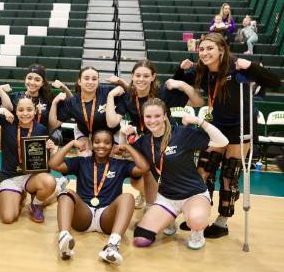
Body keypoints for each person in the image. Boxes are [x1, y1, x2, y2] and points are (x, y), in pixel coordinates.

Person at [173, 33, 280, 238]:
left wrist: (251, 67)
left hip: (242, 126)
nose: (204, 53)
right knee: (203, 169)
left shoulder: (236, 66)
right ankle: (200, 214)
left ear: (221, 49)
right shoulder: (202, 71)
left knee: (230, 175)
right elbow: (179, 81)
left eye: (209, 48)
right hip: (217, 125)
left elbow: (274, 81)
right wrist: (180, 69)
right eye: (201, 49)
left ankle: (222, 222)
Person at [104, 59, 203, 212]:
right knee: (136, 179)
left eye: (145, 76)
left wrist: (182, 85)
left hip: (167, 138)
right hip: (144, 140)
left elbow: (198, 102)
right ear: (132, 76)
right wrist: (111, 95)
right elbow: (111, 123)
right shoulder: (128, 97)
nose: (141, 79)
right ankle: (148, 197)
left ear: (153, 77)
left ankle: (157, 208)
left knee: (156, 174)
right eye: (137, 75)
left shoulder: (163, 92)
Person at [132, 98, 229, 250]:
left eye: (157, 116)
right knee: (141, 240)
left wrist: (199, 121)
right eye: (148, 117)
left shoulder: (182, 134)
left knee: (196, 221)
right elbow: (125, 160)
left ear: (165, 116)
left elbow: (222, 142)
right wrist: (125, 137)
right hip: (166, 198)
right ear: (143, 118)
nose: (152, 121)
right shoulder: (144, 142)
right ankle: (170, 219)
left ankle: (197, 231)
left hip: (193, 194)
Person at [50, 130, 149, 263]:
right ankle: (64, 240)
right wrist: (72, 143)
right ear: (91, 144)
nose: (101, 145)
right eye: (97, 142)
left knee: (128, 197)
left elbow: (144, 168)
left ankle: (112, 246)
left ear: (113, 145)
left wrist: (127, 147)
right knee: (66, 192)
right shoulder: (81, 162)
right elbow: (54, 164)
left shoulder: (120, 165)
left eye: (107, 143)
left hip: (107, 217)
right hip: (84, 215)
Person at [0, 96, 57, 224]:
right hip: (10, 176)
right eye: (21, 110)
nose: (25, 113)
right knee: (7, 218)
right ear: (15, 111)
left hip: (30, 177)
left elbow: (45, 162)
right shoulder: (7, 123)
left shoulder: (41, 129)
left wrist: (53, 150)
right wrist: (2, 111)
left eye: (29, 109)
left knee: (49, 181)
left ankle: (36, 203)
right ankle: (22, 194)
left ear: (35, 111)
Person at [49, 66, 122, 153]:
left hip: (111, 133)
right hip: (85, 133)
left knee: (110, 161)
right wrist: (54, 103)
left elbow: (131, 93)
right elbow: (54, 124)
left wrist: (121, 85)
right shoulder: (73, 102)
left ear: (98, 81)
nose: (90, 82)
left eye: (94, 79)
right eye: (86, 78)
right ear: (79, 81)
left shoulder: (108, 92)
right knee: (85, 158)